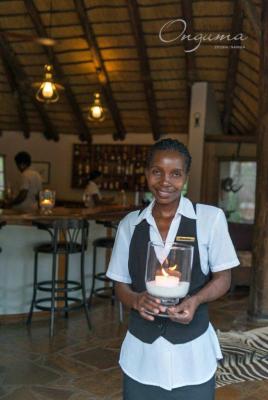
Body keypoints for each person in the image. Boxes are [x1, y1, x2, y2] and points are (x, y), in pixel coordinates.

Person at [106, 138, 239, 400]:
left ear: (186, 177)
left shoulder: (209, 219)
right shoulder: (129, 225)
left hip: (193, 355)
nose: (165, 181)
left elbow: (224, 277)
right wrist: (135, 299)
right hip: (141, 356)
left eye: (175, 173)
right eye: (157, 171)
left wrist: (197, 299)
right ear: (146, 174)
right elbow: (120, 284)